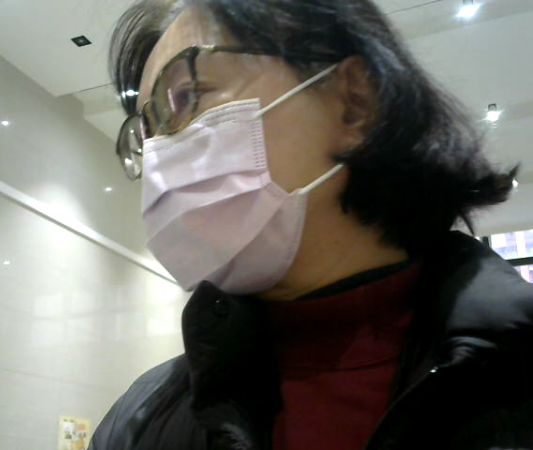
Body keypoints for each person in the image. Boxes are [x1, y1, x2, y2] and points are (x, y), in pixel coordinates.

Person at [89, 1, 533, 449]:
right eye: (147, 133)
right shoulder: (138, 421)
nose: (159, 156)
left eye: (186, 96)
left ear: (353, 104)